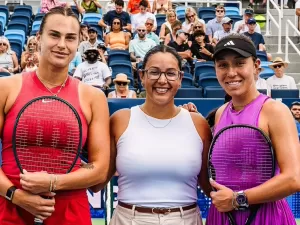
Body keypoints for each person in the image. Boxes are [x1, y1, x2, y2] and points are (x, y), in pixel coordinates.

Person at [0, 7, 110, 224]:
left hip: (71, 212)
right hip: (12, 209)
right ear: (39, 38)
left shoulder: (93, 97)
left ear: (78, 43)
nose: (61, 45)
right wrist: (15, 194)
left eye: (70, 38)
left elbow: (100, 170)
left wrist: (52, 182)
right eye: (54, 35)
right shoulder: (6, 87)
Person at [93, 44, 212, 225]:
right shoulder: (120, 120)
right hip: (128, 219)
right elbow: (97, 181)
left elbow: (209, 186)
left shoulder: (198, 124)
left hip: (186, 219)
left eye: (171, 73)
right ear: (142, 76)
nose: (162, 80)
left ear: (180, 78)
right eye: (154, 72)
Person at [205, 34, 300, 225]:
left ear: (256, 66)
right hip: (222, 217)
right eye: (223, 65)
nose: (231, 73)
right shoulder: (220, 113)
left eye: (239, 63)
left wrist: (237, 199)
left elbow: (293, 179)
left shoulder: (276, 111)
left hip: (266, 216)